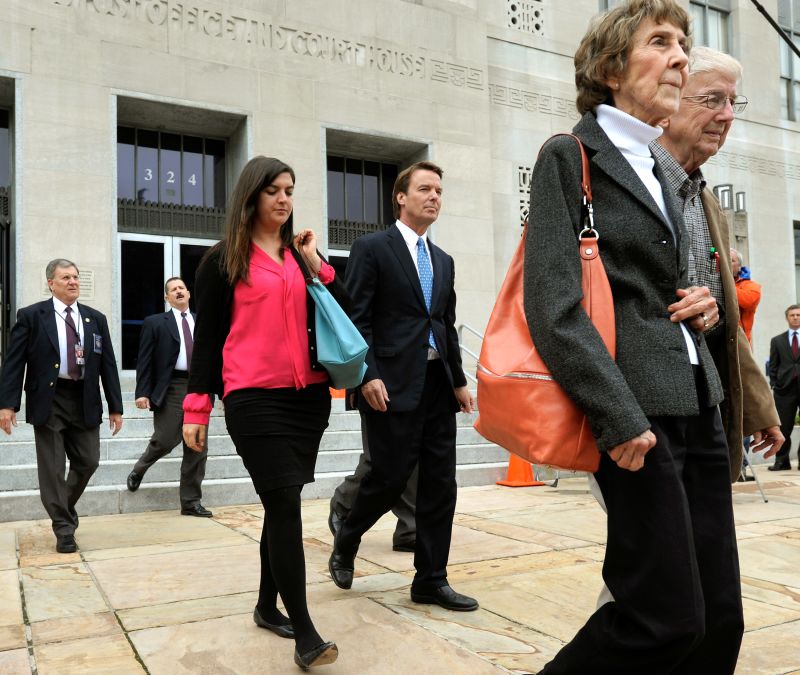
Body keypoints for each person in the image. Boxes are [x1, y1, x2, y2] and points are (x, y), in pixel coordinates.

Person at [523, 1, 773, 671]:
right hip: (637, 414)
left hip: (699, 400)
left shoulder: (669, 172)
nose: (681, 57)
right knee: (660, 615)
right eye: (660, 42)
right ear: (609, 67)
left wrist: (708, 306)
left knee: (720, 616)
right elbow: (555, 306)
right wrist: (617, 415)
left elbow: (687, 283)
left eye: (684, 45)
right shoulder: (570, 157)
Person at [181, 156, 340, 671]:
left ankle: (266, 606)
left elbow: (338, 297)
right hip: (253, 399)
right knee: (286, 505)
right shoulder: (222, 262)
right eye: (272, 190)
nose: (283, 200)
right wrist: (197, 407)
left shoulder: (298, 256)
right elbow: (206, 342)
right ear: (250, 197)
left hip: (307, 398)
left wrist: (316, 260)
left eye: (290, 190)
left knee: (282, 502)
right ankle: (306, 634)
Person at [327, 161, 478, 613]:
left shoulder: (443, 261)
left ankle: (431, 579)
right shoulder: (373, 248)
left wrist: (459, 380)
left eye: (439, 190)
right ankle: (346, 539)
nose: (434, 197)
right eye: (425, 189)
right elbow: (357, 320)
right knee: (388, 478)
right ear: (401, 196)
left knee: (440, 485)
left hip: (436, 385)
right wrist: (367, 374)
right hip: (388, 384)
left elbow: (444, 325)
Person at [652, 46, 781, 478]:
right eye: (712, 100)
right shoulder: (628, 185)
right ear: (667, 104)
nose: (727, 115)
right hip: (648, 412)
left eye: (732, 102)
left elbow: (725, 321)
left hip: (708, 405)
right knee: (660, 544)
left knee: (715, 543)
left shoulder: (708, 202)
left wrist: (760, 407)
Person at [0, 259, 123, 553]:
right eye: (65, 277)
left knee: (89, 461)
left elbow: (108, 364)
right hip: (50, 400)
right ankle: (64, 529)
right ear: (50, 283)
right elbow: (15, 362)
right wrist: (8, 404)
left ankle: (62, 508)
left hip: (84, 399)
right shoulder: (32, 316)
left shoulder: (95, 319)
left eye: (76, 277)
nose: (73, 282)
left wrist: (116, 406)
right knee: (53, 469)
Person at [126, 277, 212, 517]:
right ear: (167, 298)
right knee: (165, 438)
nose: (178, 291)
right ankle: (139, 469)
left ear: (189, 293)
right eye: (173, 289)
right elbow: (144, 359)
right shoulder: (155, 323)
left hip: (199, 386)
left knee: (197, 446)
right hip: (172, 385)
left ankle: (191, 502)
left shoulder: (202, 321)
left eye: (182, 288)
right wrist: (142, 392)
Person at [328, 415, 418, 552]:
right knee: (379, 458)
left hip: (420, 397)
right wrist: (354, 392)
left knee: (412, 454)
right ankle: (343, 503)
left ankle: (409, 529)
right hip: (383, 397)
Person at [767, 305, 800, 471]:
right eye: (792, 315)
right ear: (787, 318)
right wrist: (774, 383)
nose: (795, 317)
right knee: (783, 427)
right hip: (784, 390)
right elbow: (773, 365)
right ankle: (781, 461)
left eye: (798, 315)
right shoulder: (777, 340)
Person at [730, 247, 762, 345]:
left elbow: (748, 301)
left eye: (731, 260)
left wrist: (725, 282)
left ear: (739, 266)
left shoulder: (751, 286)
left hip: (738, 340)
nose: (726, 262)